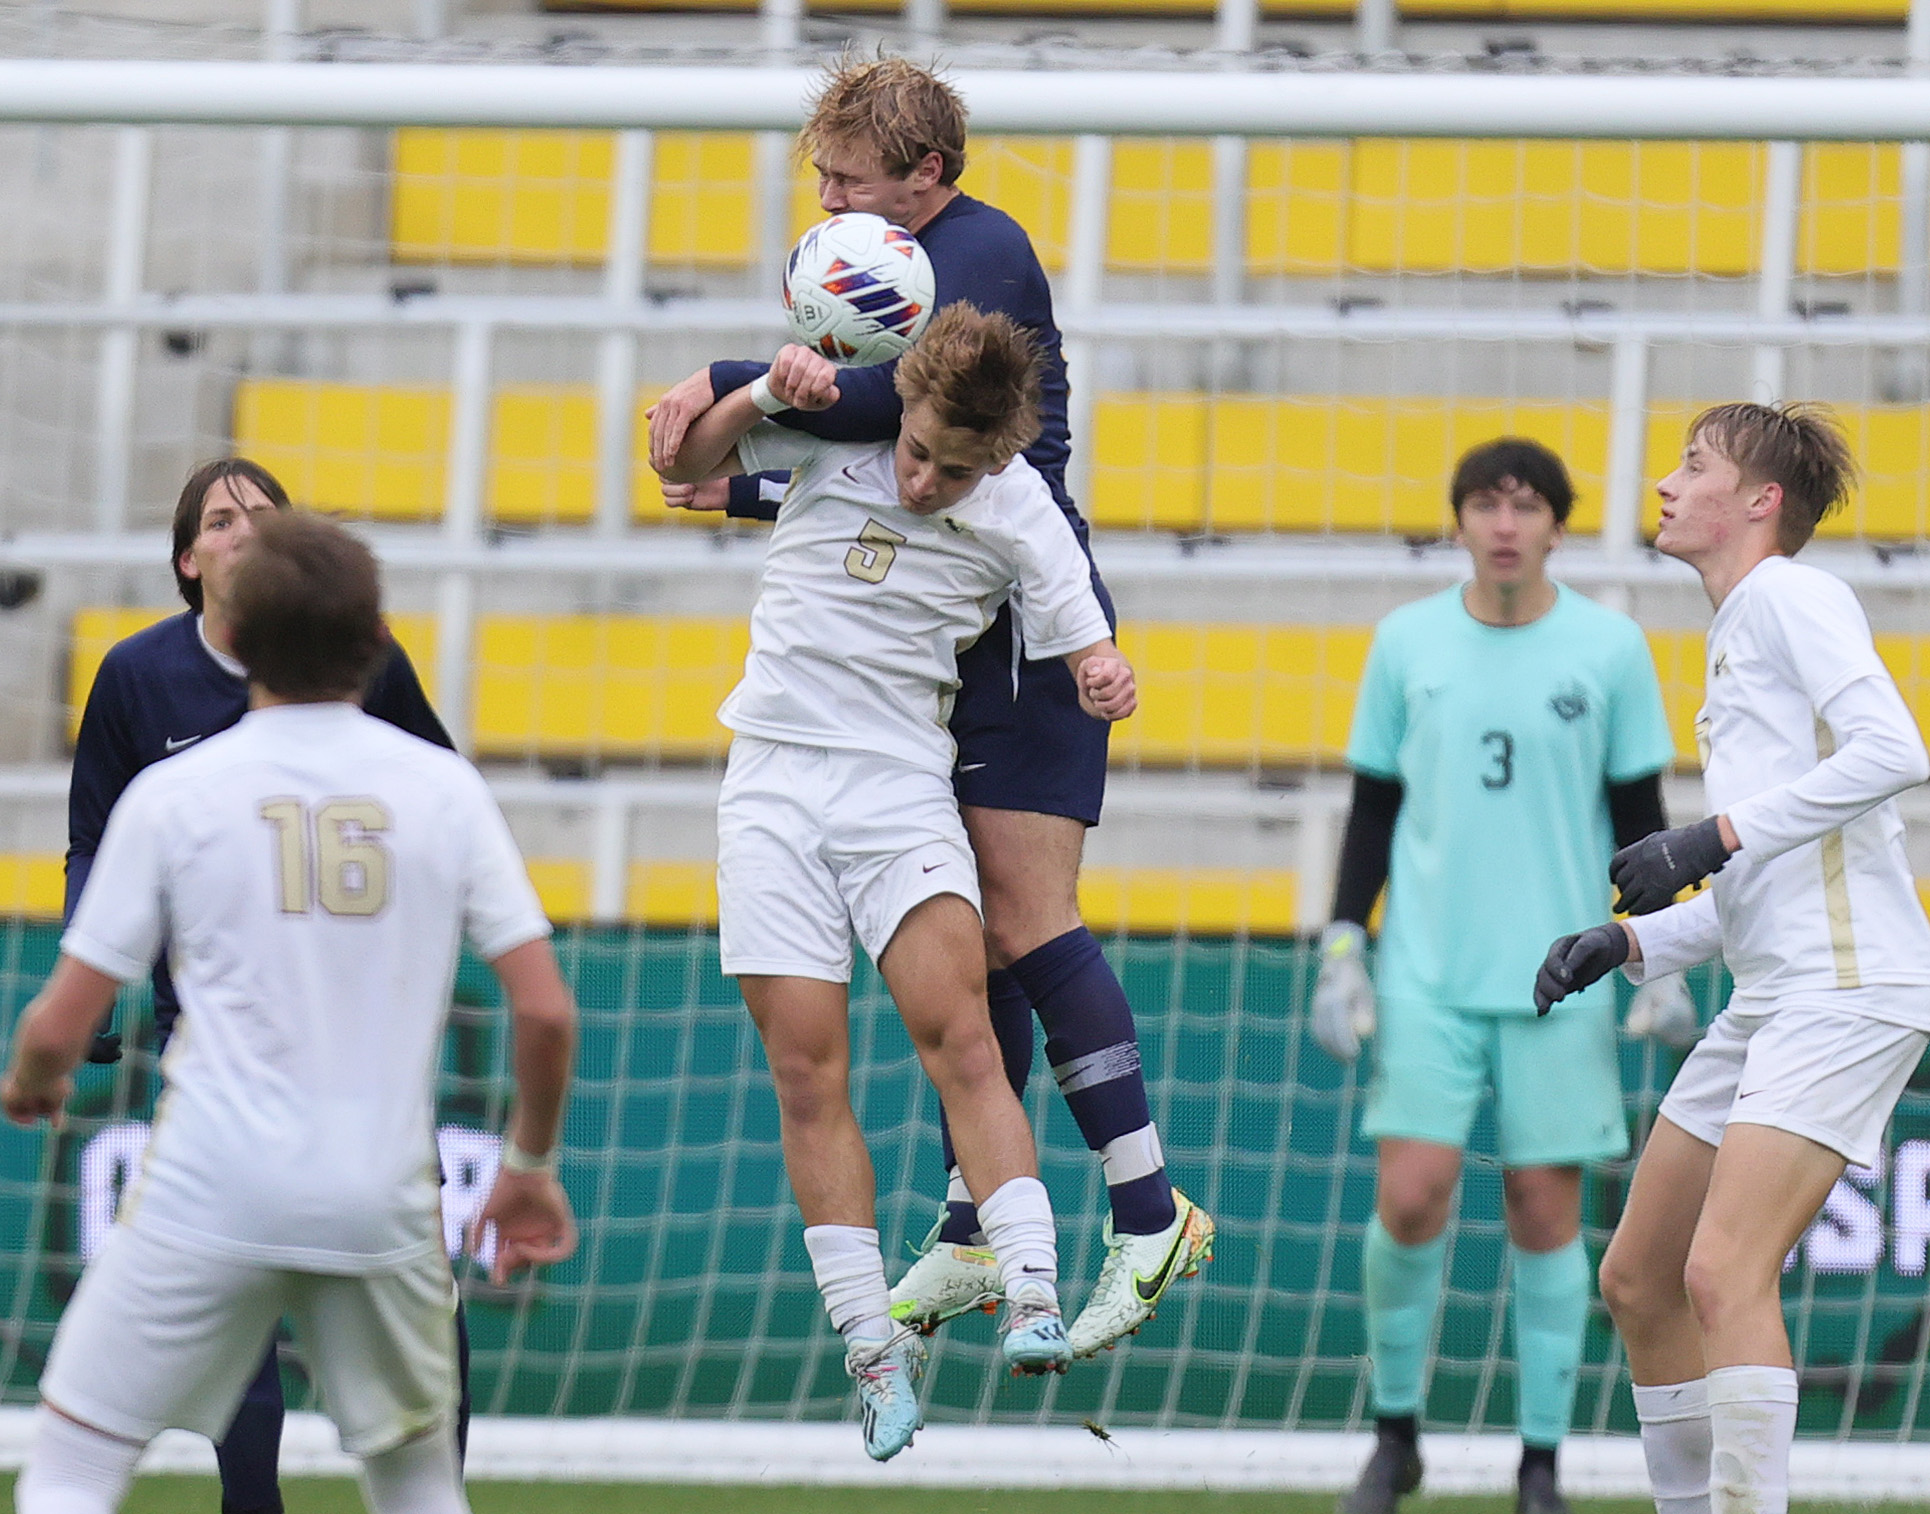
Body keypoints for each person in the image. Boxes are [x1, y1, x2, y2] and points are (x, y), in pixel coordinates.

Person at [649, 52, 1212, 1361]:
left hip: (1023, 616)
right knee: (963, 933)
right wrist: (743, 475)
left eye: (848, 179)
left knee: (1022, 916)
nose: (828, 201)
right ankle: (971, 1225)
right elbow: (868, 454)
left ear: (926, 175)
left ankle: (1145, 1206)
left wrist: (739, 370)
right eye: (821, 178)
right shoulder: (879, 247)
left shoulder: (983, 252)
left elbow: (899, 404)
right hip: (944, 624)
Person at [3, 510, 578, 1514]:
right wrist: (526, 1168)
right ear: (375, 641)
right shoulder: (443, 790)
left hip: (205, 1188)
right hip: (380, 1196)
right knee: (415, 1482)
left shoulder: (175, 793)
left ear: (238, 640)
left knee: (74, 1465)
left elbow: (59, 1023)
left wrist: (31, 1082)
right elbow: (544, 1012)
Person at [657, 303, 1133, 1459]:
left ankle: (1031, 1294)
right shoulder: (833, 428)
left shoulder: (1019, 504)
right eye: (917, 452)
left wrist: (1106, 671)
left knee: (962, 1037)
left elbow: (1088, 642)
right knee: (805, 1066)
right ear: (903, 409)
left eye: (954, 470)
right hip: (770, 783)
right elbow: (680, 467)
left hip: (897, 790)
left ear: (1001, 457)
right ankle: (873, 1356)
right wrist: (762, 390)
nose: (924, 482)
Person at [1537, 403, 1930, 1514]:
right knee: (1639, 1276)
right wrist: (1628, 940)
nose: (1664, 483)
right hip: (1776, 991)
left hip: (1849, 992)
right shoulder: (1738, 629)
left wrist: (1707, 836)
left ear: (1759, 502)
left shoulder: (1789, 594)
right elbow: (1771, 884)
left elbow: (1897, 750)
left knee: (1720, 1271)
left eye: (1692, 464)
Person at [62, 456, 459, 1514]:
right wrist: (89, 982)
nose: (243, 531)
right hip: (214, 1048)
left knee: (419, 1295)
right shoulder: (138, 676)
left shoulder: (364, 663)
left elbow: (439, 801)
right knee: (231, 1297)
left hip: (360, 1040)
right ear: (189, 559)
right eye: (220, 519)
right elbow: (93, 841)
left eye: (264, 516)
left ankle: (434, 1486)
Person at [1313, 439, 1681, 1514]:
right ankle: (1394, 1436)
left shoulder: (1609, 648)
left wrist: (1652, 953)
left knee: (1543, 1210)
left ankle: (1540, 1462)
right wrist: (1344, 937)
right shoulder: (1405, 642)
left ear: (1557, 525)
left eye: (1526, 504)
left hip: (1560, 970)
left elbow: (1639, 817)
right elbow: (1373, 804)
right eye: (1486, 502)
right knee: (1412, 1196)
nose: (1505, 522)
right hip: (1425, 967)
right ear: (1460, 520)